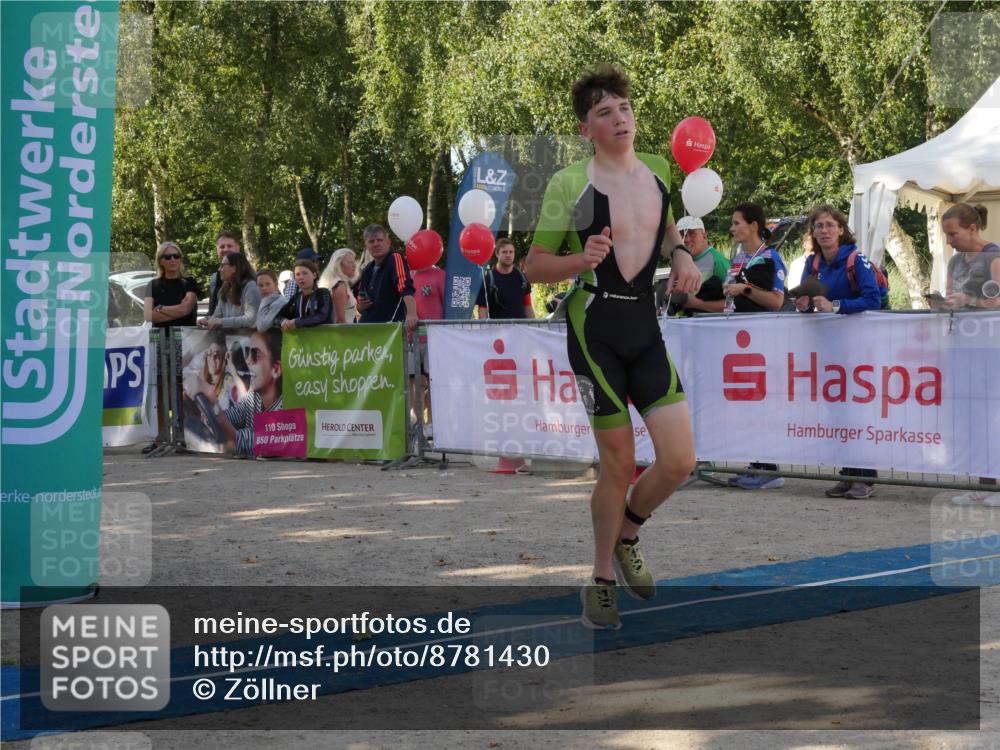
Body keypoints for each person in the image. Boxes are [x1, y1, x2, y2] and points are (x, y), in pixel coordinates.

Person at [523, 65, 700, 630]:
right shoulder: (566, 185)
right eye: (605, 112)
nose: (619, 118)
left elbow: (668, 225)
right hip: (593, 327)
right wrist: (580, 259)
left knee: (680, 462)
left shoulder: (656, 168)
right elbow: (532, 267)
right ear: (586, 129)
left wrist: (681, 254)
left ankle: (628, 533)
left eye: (623, 107)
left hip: (644, 326)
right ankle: (601, 577)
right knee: (618, 463)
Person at [794, 204, 882, 500]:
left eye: (830, 225)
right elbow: (808, 301)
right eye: (819, 226)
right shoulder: (812, 263)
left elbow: (873, 300)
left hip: (859, 349)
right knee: (837, 410)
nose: (824, 231)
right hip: (829, 349)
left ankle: (865, 477)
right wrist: (804, 307)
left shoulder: (857, 259)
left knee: (857, 409)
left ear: (841, 230)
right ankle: (848, 473)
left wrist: (837, 307)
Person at [929, 203, 1000, 506]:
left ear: (972, 229)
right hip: (965, 346)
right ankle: (983, 483)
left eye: (952, 233)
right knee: (972, 417)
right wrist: (943, 305)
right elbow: (951, 298)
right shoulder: (955, 262)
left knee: (991, 416)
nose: (949, 240)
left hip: (991, 347)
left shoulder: (994, 256)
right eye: (946, 234)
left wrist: (969, 299)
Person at [723, 203, 787, 490]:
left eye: (737, 223)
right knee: (747, 405)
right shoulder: (738, 259)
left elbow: (776, 302)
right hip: (740, 341)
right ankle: (757, 464)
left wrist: (745, 289)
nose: (732, 228)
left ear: (753, 226)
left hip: (764, 341)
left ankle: (770, 468)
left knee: (764, 404)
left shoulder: (772, 258)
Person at [141, 241, 202, 453]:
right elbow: (148, 314)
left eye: (176, 256)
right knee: (160, 387)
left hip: (184, 341)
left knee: (182, 387)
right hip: (160, 342)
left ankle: (184, 436)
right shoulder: (153, 285)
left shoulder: (190, 282)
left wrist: (162, 308)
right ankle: (162, 436)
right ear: (160, 261)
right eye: (167, 257)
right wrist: (171, 311)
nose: (173, 260)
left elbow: (187, 309)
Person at [217, 329, 283, 457]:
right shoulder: (253, 397)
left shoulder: (285, 407)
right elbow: (235, 414)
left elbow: (242, 440)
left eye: (256, 355)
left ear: (275, 370)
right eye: (247, 353)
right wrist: (211, 416)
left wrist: (212, 403)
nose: (247, 360)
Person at [357, 224, 418, 333]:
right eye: (371, 241)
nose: (376, 244)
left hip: (389, 331)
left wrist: (412, 314)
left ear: (388, 242)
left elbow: (405, 286)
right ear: (366, 246)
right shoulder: (367, 269)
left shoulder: (395, 258)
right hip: (366, 331)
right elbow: (360, 307)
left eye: (379, 240)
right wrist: (360, 306)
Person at [410, 259, 447, 439]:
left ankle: (432, 422)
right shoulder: (407, 276)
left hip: (434, 338)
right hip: (410, 337)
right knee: (413, 382)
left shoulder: (439, 274)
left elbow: (447, 305)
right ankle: (417, 422)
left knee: (432, 381)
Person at [670, 216, 729, 315]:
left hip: (708, 327)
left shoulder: (718, 261)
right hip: (683, 325)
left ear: (705, 236)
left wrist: (698, 304)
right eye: (682, 235)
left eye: (692, 234)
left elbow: (734, 303)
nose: (687, 239)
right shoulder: (680, 261)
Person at [198, 252, 260, 330]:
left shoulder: (251, 287)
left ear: (234, 268)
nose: (219, 269)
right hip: (229, 339)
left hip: (249, 340)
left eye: (222, 265)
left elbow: (251, 320)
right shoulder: (225, 289)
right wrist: (206, 320)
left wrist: (221, 322)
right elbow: (218, 316)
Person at [476, 238, 536, 319]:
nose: (508, 255)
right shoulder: (488, 279)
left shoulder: (522, 277)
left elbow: (528, 306)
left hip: (520, 329)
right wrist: (486, 330)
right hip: (497, 330)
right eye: (504, 252)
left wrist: (532, 327)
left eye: (511, 252)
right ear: (497, 254)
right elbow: (482, 310)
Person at [280, 259, 332, 330]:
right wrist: (283, 321)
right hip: (302, 340)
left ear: (314, 275)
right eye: (297, 274)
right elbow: (279, 316)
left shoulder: (323, 293)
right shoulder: (296, 297)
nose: (301, 277)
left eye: (305, 273)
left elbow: (323, 316)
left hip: (322, 338)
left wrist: (297, 322)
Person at [319, 248, 360, 324]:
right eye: (350, 262)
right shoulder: (339, 285)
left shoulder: (334, 283)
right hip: (343, 333)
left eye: (354, 262)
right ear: (338, 264)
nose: (354, 265)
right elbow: (340, 320)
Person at [207, 231, 241, 316]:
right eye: (222, 247)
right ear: (217, 250)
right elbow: (213, 310)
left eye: (229, 246)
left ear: (238, 248)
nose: (226, 249)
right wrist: (206, 320)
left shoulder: (247, 275)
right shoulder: (215, 277)